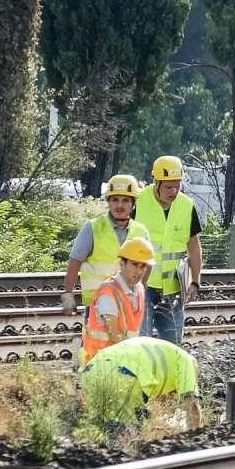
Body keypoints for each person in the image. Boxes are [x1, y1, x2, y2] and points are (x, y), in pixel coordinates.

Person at [136, 155, 204, 346]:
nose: (173, 191)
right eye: (168, 187)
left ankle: (168, 376)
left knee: (173, 343)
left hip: (173, 290)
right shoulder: (138, 201)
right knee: (142, 341)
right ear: (156, 182)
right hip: (142, 286)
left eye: (177, 186)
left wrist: (195, 281)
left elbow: (193, 245)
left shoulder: (186, 205)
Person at [63, 174, 152, 315]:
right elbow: (75, 261)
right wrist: (68, 294)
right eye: (115, 200)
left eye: (125, 200)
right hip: (98, 306)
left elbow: (148, 265)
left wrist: (141, 291)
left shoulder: (141, 231)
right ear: (108, 202)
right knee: (97, 338)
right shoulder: (92, 228)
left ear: (133, 204)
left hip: (129, 305)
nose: (120, 205)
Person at [80, 336, 204, 426]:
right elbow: (191, 406)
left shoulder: (164, 355)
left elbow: (157, 407)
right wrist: (194, 440)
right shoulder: (186, 362)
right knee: (130, 436)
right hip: (124, 375)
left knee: (100, 429)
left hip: (91, 370)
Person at [81, 234, 155, 363]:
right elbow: (115, 334)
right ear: (122, 264)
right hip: (100, 362)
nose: (139, 271)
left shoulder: (139, 289)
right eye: (134, 264)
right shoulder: (108, 292)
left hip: (120, 358)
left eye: (143, 266)